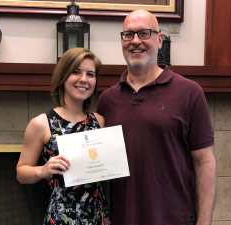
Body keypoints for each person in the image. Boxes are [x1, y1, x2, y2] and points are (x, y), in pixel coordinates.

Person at [97, 10, 216, 225]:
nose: (135, 41)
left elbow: (204, 161)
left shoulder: (189, 92)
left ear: (159, 40)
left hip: (174, 218)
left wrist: (204, 221)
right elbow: (98, 163)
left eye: (144, 33)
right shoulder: (107, 100)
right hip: (123, 218)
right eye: (128, 35)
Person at [16, 47, 110, 225]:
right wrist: (42, 171)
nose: (84, 79)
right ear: (63, 76)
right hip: (62, 217)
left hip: (98, 215)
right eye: (76, 72)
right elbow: (21, 172)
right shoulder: (41, 124)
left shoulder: (100, 122)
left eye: (90, 74)